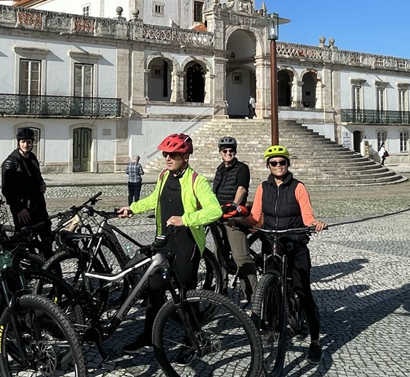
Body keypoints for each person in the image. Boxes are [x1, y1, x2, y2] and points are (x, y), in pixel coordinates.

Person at [117, 133, 222, 353]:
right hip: (164, 242)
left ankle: (191, 341)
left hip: (187, 244)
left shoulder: (197, 181)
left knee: (185, 295)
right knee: (154, 290)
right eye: (166, 153)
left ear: (185, 156)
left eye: (173, 154)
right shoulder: (164, 176)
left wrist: (185, 220)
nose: (167, 157)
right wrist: (132, 208)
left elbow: (215, 210)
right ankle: (149, 335)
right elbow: (155, 199)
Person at [237, 145, 327, 363]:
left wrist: (316, 224)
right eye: (274, 163)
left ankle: (315, 341)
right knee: (268, 289)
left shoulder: (298, 187)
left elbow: (307, 217)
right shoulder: (262, 188)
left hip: (294, 245)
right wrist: (236, 221)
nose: (278, 166)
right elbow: (255, 216)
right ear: (268, 165)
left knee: (303, 291)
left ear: (287, 164)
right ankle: (271, 325)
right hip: (271, 244)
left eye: (282, 162)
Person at [212, 136, 256, 300]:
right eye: (225, 151)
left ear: (235, 152)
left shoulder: (242, 168)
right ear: (220, 153)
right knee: (219, 254)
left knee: (240, 256)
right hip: (218, 215)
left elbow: (242, 188)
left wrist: (234, 205)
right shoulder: (219, 169)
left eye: (231, 151)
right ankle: (221, 287)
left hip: (233, 216)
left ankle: (252, 293)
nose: (228, 153)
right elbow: (214, 192)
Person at [2, 127, 51, 256]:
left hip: (38, 206)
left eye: (29, 142)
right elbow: (7, 190)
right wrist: (19, 209)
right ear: (18, 142)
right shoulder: (10, 162)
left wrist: (42, 185)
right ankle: (24, 269)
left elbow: (37, 178)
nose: (26, 145)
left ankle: (47, 267)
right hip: (24, 209)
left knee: (46, 238)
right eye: (23, 142)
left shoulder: (32, 158)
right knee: (24, 241)